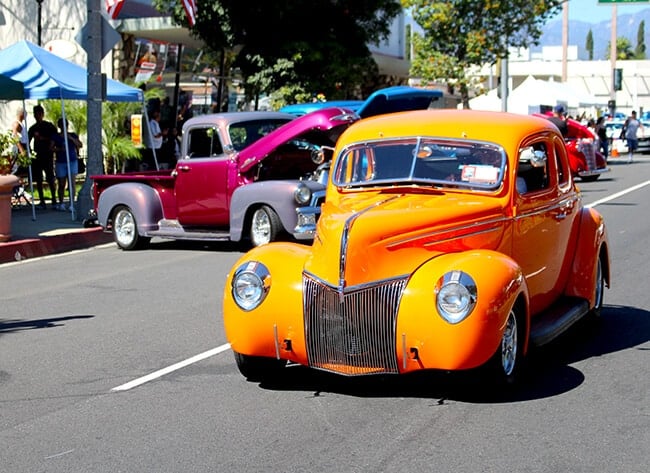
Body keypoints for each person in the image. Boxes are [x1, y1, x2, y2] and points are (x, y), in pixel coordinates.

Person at [28, 104, 57, 209]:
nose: (37, 116)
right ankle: (42, 200)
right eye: (36, 114)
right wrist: (30, 152)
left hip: (47, 155)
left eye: (39, 114)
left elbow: (55, 138)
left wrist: (42, 138)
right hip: (38, 156)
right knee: (39, 179)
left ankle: (54, 198)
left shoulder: (48, 126)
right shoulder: (33, 128)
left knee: (50, 177)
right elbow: (27, 140)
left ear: (42, 114)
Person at [51, 118, 82, 211]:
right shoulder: (56, 137)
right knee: (61, 183)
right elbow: (51, 148)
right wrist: (60, 149)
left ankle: (72, 203)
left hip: (72, 161)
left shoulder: (72, 135)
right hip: (61, 162)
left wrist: (71, 138)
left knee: (72, 183)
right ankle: (61, 203)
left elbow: (80, 144)